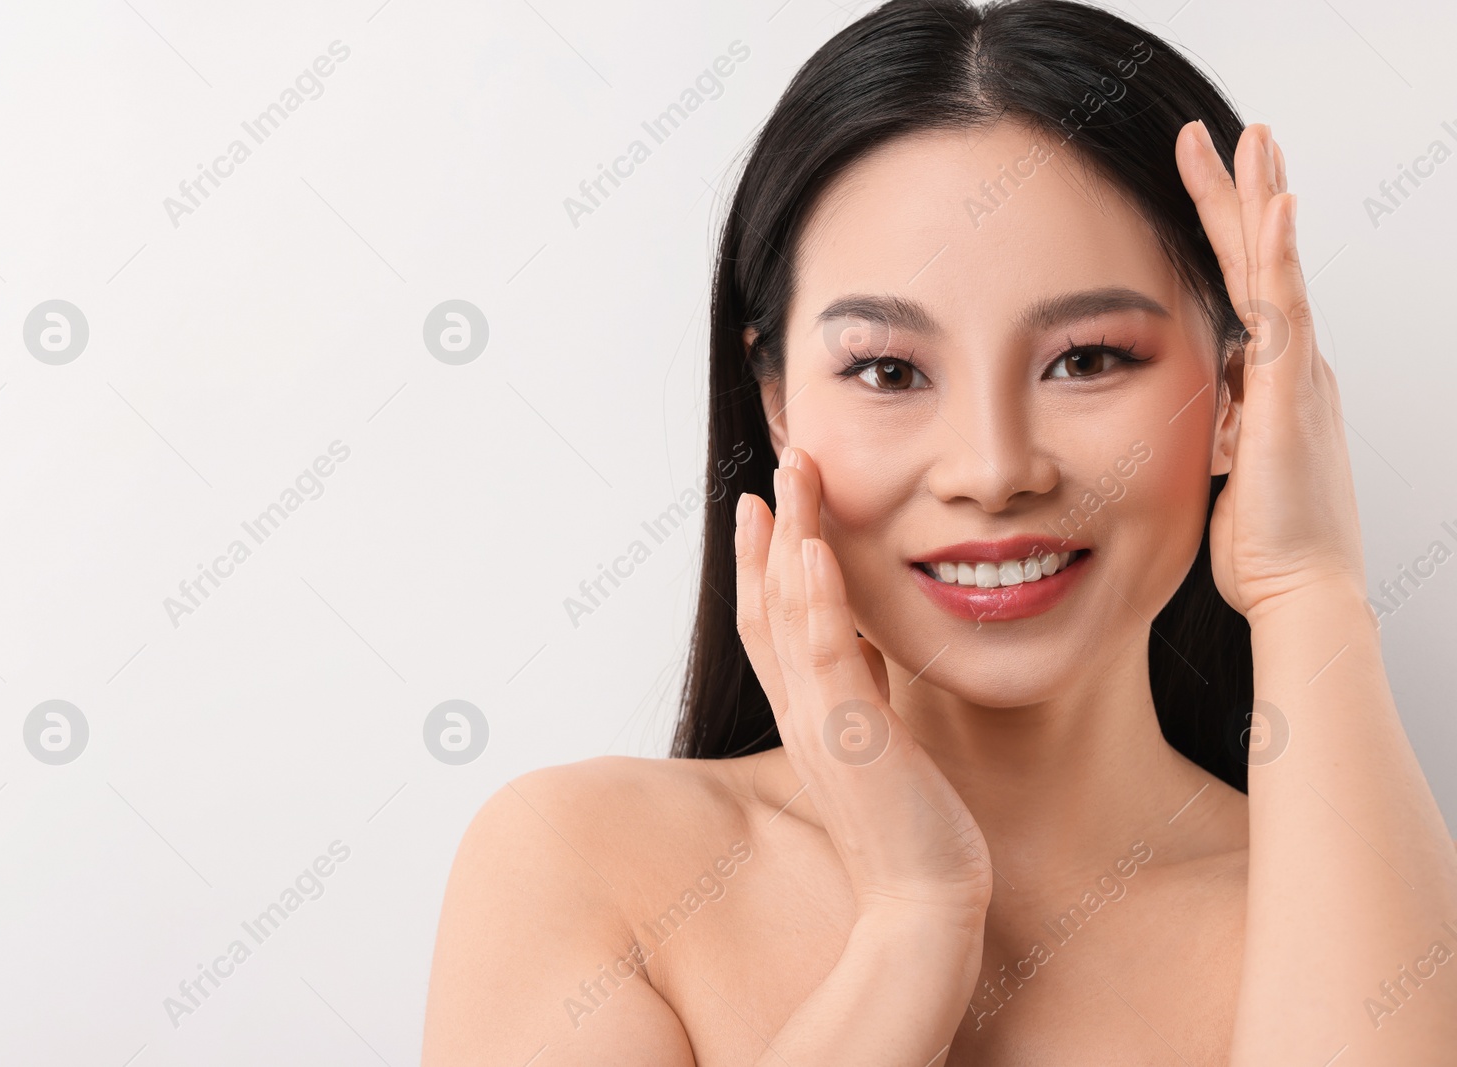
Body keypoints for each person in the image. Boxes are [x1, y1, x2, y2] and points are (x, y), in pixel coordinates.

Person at [422, 1, 1457, 1062]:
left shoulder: (1365, 921)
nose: (993, 469)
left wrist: (1306, 585)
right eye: (887, 370)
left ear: (1239, 390)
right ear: (777, 402)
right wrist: (913, 922)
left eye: (1088, 358)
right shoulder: (586, 864)